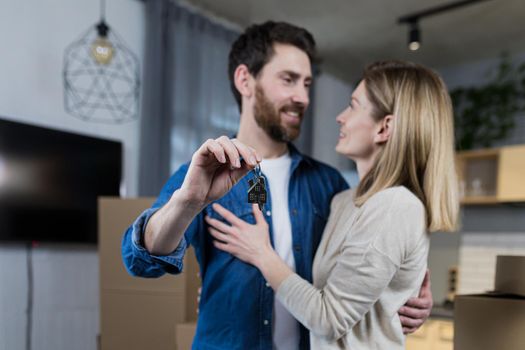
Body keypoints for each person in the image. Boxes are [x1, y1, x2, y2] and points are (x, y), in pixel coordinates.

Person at [121, 22, 432, 350]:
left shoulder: (330, 186)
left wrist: (403, 294)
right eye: (288, 80)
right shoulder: (200, 175)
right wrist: (189, 202)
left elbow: (365, 267)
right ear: (245, 80)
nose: (302, 97)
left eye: (308, 84)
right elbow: (141, 261)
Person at [206, 60, 459, 349]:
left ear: (384, 128)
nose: (341, 117)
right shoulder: (343, 200)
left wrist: (261, 253)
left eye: (353, 105)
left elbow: (329, 320)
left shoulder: (395, 208)